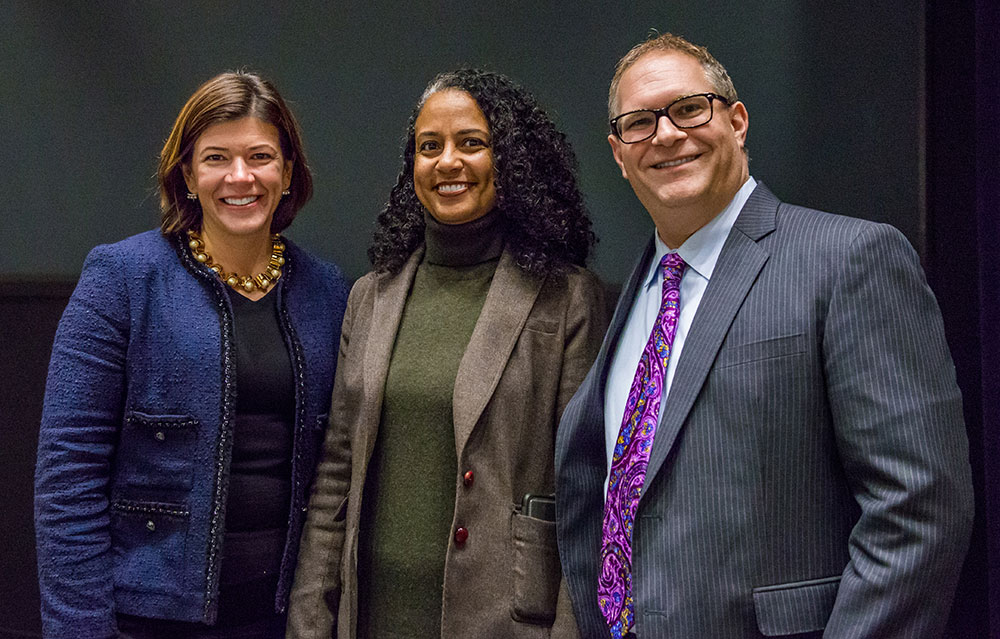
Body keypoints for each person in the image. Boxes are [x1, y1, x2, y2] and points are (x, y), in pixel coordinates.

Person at [555, 33, 974, 639]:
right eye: (639, 123)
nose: (667, 134)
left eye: (689, 108)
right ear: (619, 154)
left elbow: (919, 511)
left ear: (737, 120)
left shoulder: (849, 259)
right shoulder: (628, 297)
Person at [288, 68, 608, 639]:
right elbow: (336, 472)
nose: (447, 162)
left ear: (509, 161)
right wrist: (311, 619)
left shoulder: (565, 297)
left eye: (472, 143)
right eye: (428, 147)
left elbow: (584, 489)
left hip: (507, 619)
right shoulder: (372, 295)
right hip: (370, 616)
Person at [34, 71, 350, 639]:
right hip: (146, 619)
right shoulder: (123, 279)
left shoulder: (327, 291)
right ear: (186, 173)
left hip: (284, 618)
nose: (240, 177)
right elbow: (67, 479)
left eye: (260, 156)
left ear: (288, 171)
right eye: (215, 158)